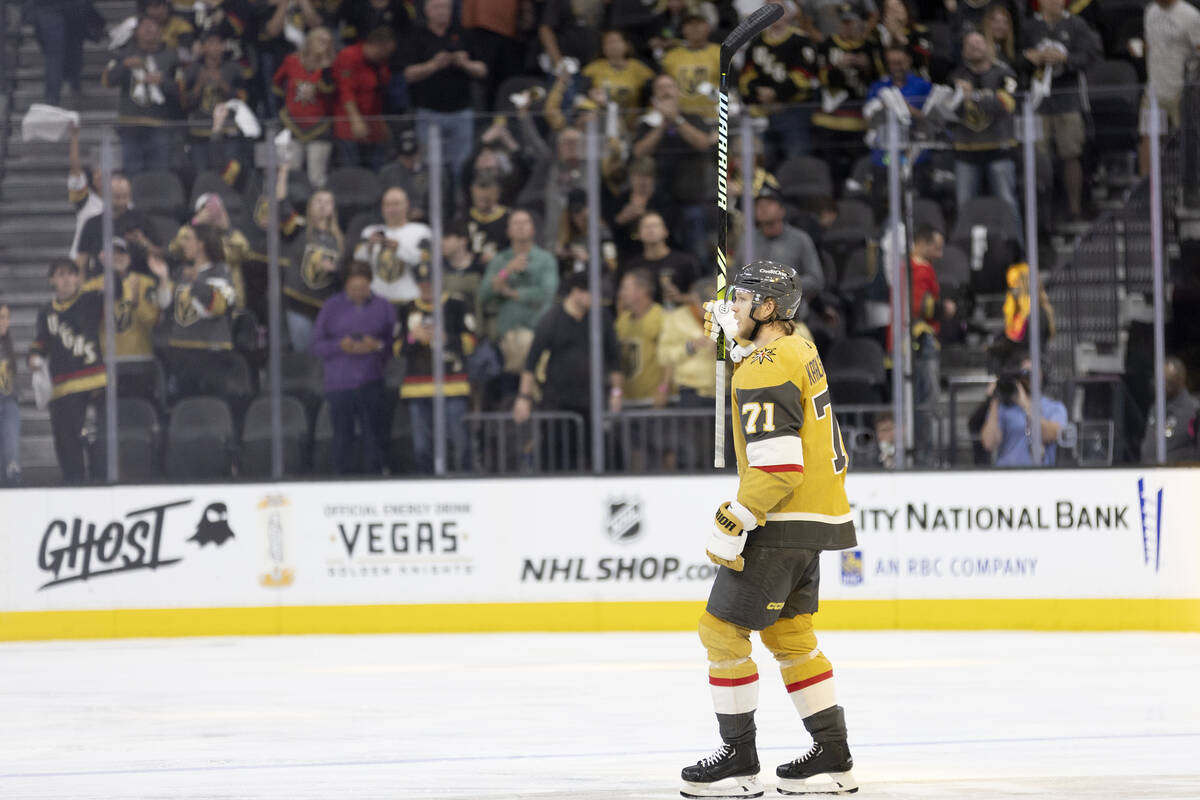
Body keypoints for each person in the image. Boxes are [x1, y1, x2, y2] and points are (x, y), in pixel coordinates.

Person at [682, 260, 857, 798]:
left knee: (721, 632)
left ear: (766, 309)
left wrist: (737, 516)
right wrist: (739, 347)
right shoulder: (799, 349)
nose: (729, 308)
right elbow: (771, 371)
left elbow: (778, 467)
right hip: (818, 519)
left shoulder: (762, 367)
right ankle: (833, 757)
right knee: (790, 636)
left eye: (740, 301)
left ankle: (738, 761)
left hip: (780, 521)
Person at [512, 271, 623, 470]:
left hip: (593, 401)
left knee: (603, 455)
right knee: (556, 457)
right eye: (593, 293)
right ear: (577, 292)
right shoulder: (552, 319)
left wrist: (616, 392)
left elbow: (614, 359)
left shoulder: (602, 317)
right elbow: (531, 362)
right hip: (558, 402)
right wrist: (524, 397)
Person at [1019, 0, 1101, 223]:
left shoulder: (1076, 25)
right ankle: (1044, 213)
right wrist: (1030, 58)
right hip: (1037, 103)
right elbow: (1016, 57)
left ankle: (1074, 209)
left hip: (1068, 100)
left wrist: (1065, 58)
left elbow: (1091, 56)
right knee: (1039, 158)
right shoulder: (1029, 27)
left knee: (1071, 154)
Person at [310, 260, 396, 474]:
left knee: (373, 437)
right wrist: (340, 345)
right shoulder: (331, 307)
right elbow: (316, 345)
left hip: (371, 380)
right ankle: (342, 481)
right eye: (353, 289)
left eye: (363, 288)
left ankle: (375, 480)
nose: (358, 293)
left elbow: (394, 344)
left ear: (370, 285)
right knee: (342, 437)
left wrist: (375, 345)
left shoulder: (383, 306)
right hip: (339, 384)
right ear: (346, 286)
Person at [29, 260, 107, 484]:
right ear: (51, 280)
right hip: (62, 386)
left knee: (96, 438)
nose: (66, 279)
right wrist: (35, 357)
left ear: (77, 278)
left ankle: (101, 482)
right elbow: (41, 341)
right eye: (60, 274)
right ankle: (74, 484)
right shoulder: (46, 312)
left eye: (71, 274)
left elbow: (116, 292)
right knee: (65, 440)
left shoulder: (90, 300)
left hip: (93, 381)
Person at [395, 262, 476, 473]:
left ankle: (464, 481)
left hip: (452, 384)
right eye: (422, 283)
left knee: (460, 440)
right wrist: (414, 338)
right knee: (422, 445)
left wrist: (448, 338)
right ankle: (425, 484)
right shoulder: (407, 309)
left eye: (430, 282)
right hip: (417, 386)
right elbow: (396, 348)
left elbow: (472, 341)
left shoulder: (457, 305)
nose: (426, 287)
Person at [403, 0, 488, 196]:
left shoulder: (464, 34)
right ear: (426, 10)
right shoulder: (417, 36)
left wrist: (465, 63)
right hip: (428, 113)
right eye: (437, 7)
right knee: (429, 167)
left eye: (446, 7)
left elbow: (483, 70)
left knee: (462, 167)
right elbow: (407, 74)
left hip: (461, 113)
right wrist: (433, 65)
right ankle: (430, 205)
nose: (442, 12)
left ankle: (460, 205)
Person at [947, 32, 1022, 241]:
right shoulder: (954, 76)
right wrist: (956, 99)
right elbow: (948, 113)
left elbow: (1007, 105)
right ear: (963, 51)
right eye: (969, 44)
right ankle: (963, 252)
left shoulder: (1004, 73)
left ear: (989, 47)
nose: (974, 47)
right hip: (965, 152)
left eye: (979, 43)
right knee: (964, 206)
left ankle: (1018, 252)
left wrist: (975, 96)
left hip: (999, 149)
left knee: (1007, 203)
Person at [149, 223, 238, 399]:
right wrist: (164, 278)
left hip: (212, 354)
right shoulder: (180, 272)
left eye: (187, 239)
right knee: (184, 406)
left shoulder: (220, 272)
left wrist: (196, 283)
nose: (183, 243)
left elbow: (217, 308)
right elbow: (165, 305)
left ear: (201, 244)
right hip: (181, 351)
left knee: (212, 406)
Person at [738, 0, 821, 168]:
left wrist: (776, 94)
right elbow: (745, 77)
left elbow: (805, 76)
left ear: (789, 13)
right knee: (762, 160)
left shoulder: (801, 40)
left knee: (796, 160)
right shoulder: (756, 43)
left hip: (794, 111)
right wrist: (759, 93)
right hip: (762, 113)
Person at [479, 210, 560, 373]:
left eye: (525, 222)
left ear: (533, 229)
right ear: (508, 231)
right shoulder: (500, 260)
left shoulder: (546, 260)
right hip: (505, 339)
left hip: (538, 335)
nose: (521, 227)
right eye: (516, 223)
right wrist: (506, 271)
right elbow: (484, 293)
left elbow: (546, 293)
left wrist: (510, 293)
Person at [102, 14, 182, 176]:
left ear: (160, 30)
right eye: (143, 25)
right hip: (130, 124)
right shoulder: (123, 53)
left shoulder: (171, 55)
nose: (148, 29)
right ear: (136, 31)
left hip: (159, 124)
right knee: (132, 172)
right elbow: (108, 81)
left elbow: (180, 91)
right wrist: (124, 65)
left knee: (160, 172)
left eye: (152, 25)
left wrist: (162, 81)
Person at [1139, 0, 1200, 176]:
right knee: (1148, 136)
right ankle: (1146, 188)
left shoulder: (1191, 16)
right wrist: (1141, 48)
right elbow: (1153, 45)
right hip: (1154, 90)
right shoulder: (1150, 11)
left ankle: (1190, 186)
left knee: (1189, 139)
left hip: (1183, 91)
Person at [273, 26, 337, 188]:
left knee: (316, 178)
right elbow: (276, 83)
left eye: (328, 42)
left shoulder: (332, 67)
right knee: (290, 175)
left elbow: (329, 90)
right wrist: (288, 102)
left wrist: (325, 66)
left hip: (319, 129)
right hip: (291, 125)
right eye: (321, 41)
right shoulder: (292, 61)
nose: (325, 45)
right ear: (309, 41)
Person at [283, 187, 346, 353]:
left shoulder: (340, 241)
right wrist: (282, 174)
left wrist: (334, 269)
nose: (323, 205)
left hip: (324, 309)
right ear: (310, 206)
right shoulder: (299, 229)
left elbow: (346, 278)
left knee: (323, 357)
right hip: (298, 304)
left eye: (327, 202)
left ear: (333, 208)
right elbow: (281, 208)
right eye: (318, 201)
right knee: (304, 353)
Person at [979, 353, 1069, 466]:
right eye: (1025, 373)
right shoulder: (1004, 408)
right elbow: (989, 443)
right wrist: (995, 400)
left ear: (1043, 375)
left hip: (1040, 475)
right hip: (1007, 474)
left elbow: (1050, 435)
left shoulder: (1054, 407)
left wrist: (1025, 404)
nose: (1029, 377)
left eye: (1034, 373)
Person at [353, 187, 434, 308]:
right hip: (376, 301)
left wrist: (399, 249)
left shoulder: (421, 231)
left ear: (407, 205)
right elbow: (356, 262)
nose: (391, 209)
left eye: (396, 204)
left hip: (409, 300)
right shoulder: (370, 231)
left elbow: (425, 259)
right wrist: (368, 247)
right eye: (387, 205)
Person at [332, 26, 396, 170]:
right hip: (349, 125)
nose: (387, 56)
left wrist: (380, 122)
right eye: (385, 52)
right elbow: (345, 90)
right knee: (352, 169)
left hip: (373, 123)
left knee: (376, 167)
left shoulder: (380, 62)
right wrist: (355, 120)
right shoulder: (349, 56)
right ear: (377, 46)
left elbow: (379, 93)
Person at [661, 13, 722, 120]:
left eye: (699, 23)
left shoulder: (721, 53)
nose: (695, 28)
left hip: (714, 118)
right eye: (689, 24)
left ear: (708, 27)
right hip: (680, 118)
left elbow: (730, 86)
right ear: (683, 29)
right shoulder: (670, 57)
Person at [1140, 357, 1199, 463]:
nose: (1162, 385)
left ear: (1181, 380)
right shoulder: (1155, 408)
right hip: (1148, 473)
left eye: (1168, 381)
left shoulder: (1193, 410)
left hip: (1179, 474)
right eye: (1159, 380)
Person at [0, 304, 20, 485]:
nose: (4, 322)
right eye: (1, 317)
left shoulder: (8, 345)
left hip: (8, 400)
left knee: (11, 444)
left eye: (6, 317)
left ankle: (13, 474)